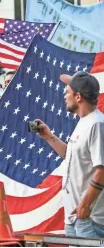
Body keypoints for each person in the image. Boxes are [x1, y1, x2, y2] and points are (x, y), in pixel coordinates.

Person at [34, 72, 104, 238]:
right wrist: (49, 137)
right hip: (76, 218)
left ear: (78, 97)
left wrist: (85, 205)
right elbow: (73, 157)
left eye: (67, 91)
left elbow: (102, 170)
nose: (64, 95)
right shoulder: (85, 122)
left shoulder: (97, 124)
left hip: (89, 219)